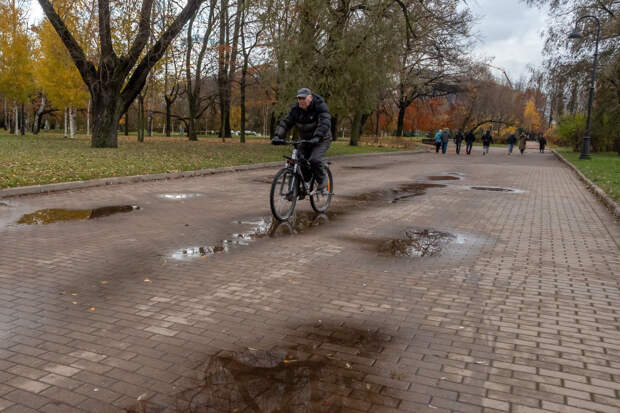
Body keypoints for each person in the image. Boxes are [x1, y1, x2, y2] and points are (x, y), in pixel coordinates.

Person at [272, 88, 332, 192]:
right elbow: (286, 123)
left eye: (303, 98)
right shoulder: (295, 110)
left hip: (321, 139)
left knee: (315, 159)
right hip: (305, 140)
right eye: (299, 98)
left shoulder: (319, 106)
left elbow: (324, 122)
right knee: (299, 160)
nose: (301, 101)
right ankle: (302, 184)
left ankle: (322, 181)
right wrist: (278, 136)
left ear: (310, 98)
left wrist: (317, 137)